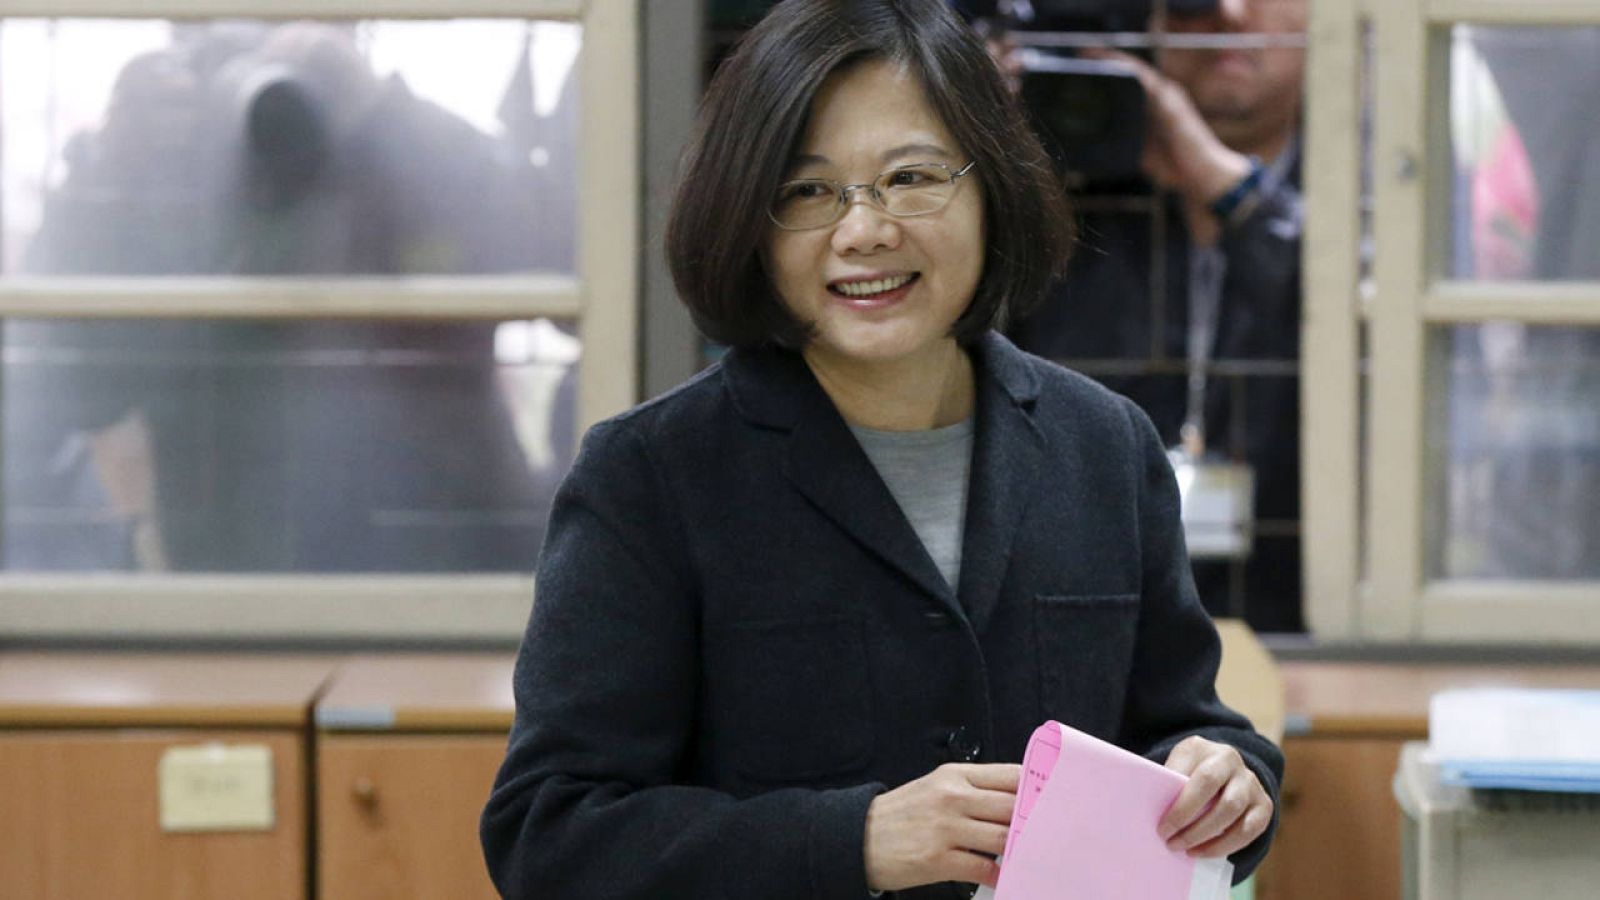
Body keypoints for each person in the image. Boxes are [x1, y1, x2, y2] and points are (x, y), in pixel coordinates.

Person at [479, 2, 1282, 898]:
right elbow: (548, 837)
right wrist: (852, 839)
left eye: (911, 177)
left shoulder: (1104, 447)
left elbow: (1185, 730)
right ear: (750, 220)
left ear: (993, 191)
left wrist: (1232, 779)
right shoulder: (652, 475)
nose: (864, 230)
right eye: (808, 191)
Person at [1009, 0, 1309, 632]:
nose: (1228, 12)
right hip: (1101, 617)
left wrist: (1231, 192)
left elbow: (1367, 326)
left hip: (1305, 615)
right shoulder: (1076, 194)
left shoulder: (1372, 179)